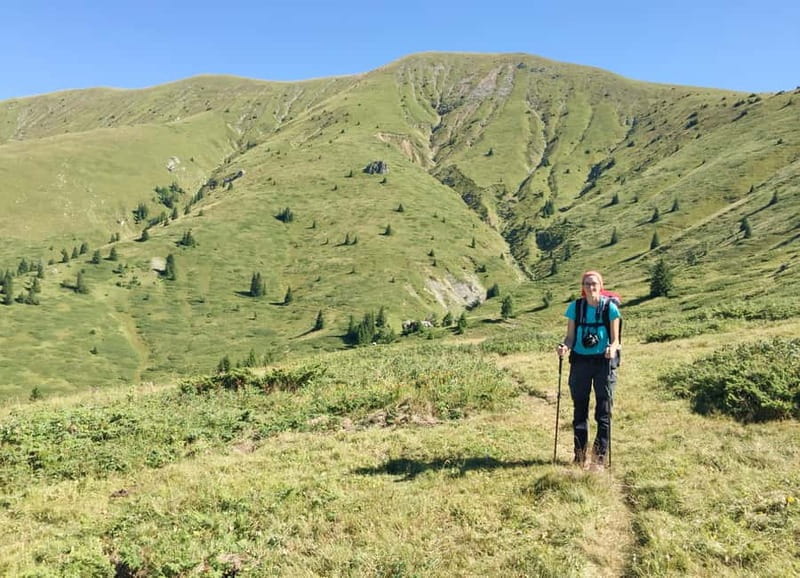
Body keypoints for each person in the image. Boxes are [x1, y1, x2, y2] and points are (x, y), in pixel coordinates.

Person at [555, 271, 621, 470]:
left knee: (603, 412)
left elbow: (616, 339)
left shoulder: (610, 308)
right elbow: (569, 337)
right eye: (586, 284)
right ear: (582, 287)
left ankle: (599, 459)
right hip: (580, 362)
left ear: (601, 286)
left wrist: (612, 348)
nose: (590, 287)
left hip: (604, 362)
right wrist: (564, 347)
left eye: (594, 284)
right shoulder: (575, 307)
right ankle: (580, 456)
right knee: (579, 410)